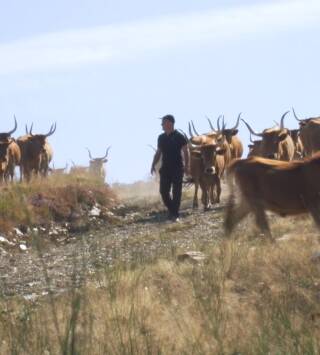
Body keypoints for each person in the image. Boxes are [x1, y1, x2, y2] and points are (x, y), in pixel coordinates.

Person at [151, 114, 190, 222]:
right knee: (163, 192)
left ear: (169, 123)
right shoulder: (161, 137)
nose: (162, 125)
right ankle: (173, 210)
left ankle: (175, 214)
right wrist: (153, 164)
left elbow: (186, 152)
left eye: (163, 123)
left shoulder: (179, 136)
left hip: (177, 168)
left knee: (177, 192)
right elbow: (158, 153)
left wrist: (187, 166)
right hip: (165, 168)